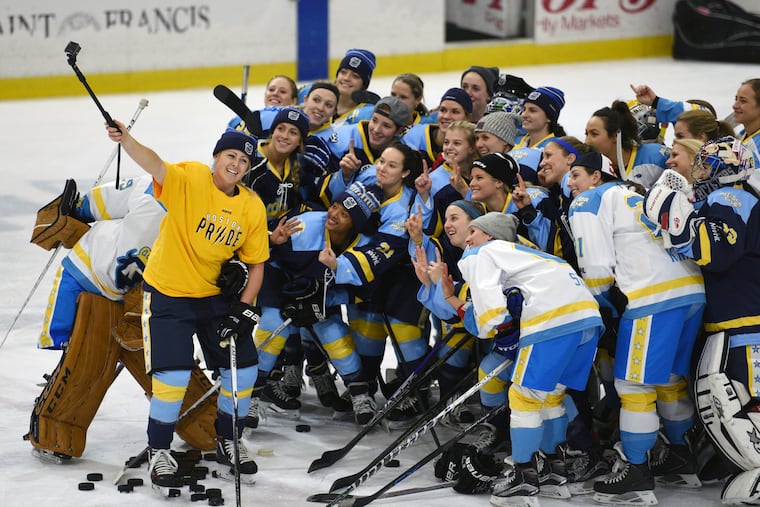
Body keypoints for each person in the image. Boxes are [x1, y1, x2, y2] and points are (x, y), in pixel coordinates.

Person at [104, 123, 269, 489]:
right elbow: (155, 165)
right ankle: (158, 449)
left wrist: (245, 307)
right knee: (172, 378)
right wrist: (127, 139)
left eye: (243, 160)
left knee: (244, 371)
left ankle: (229, 439)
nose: (236, 164)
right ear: (216, 157)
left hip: (216, 300)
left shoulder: (250, 206)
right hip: (169, 294)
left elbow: (257, 263)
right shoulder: (191, 178)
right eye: (230, 156)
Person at [567, 152, 706, 504]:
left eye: (577, 174)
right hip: (691, 289)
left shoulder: (590, 199)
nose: (571, 184)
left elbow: (594, 263)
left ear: (597, 177)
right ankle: (681, 458)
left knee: (634, 386)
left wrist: (604, 305)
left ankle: (636, 473)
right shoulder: (635, 194)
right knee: (670, 381)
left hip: (652, 296)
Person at [441, 211, 603, 506]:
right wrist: (460, 303)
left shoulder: (483, 252)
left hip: (551, 321)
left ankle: (522, 475)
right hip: (587, 320)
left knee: (523, 397)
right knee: (552, 396)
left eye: (474, 232)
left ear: (489, 236)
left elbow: (490, 316)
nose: (468, 239)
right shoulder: (532, 257)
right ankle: (553, 471)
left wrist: (492, 325)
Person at [642, 136, 760, 504]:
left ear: (725, 170)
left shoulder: (732, 198)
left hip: (743, 324)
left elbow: (713, 251)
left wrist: (670, 209)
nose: (699, 173)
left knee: (737, 401)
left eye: (707, 166)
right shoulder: (736, 198)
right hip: (737, 320)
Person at [38, 175, 164, 350]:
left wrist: (79, 209)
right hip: (118, 285)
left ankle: (56, 339)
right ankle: (56, 339)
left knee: (67, 289)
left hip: (91, 265)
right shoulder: (203, 215)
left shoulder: (153, 185)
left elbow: (107, 198)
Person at [585, 100, 670, 190]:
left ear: (615, 135)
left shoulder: (656, 157)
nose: (587, 141)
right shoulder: (591, 168)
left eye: (594, 134)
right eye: (586, 134)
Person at [227, 74, 299, 138]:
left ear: (293, 101)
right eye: (271, 90)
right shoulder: (239, 119)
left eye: (283, 92)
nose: (275, 93)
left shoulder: (295, 123)